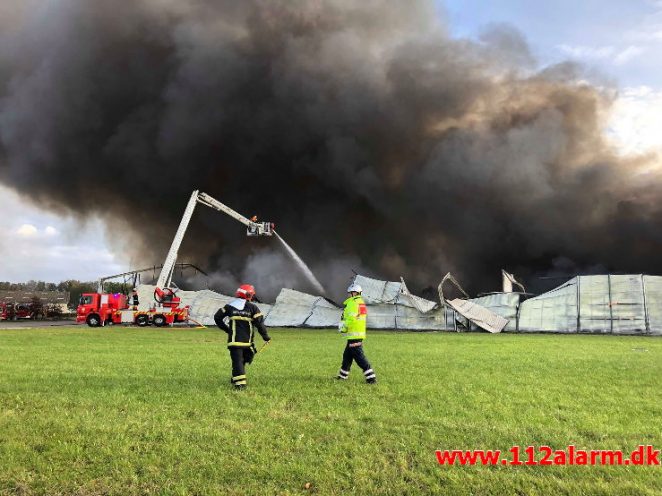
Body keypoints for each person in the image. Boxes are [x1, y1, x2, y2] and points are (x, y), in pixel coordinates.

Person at [214, 284, 271, 390]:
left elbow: (217, 317)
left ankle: (236, 376)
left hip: (235, 342)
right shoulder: (253, 308)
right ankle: (240, 385)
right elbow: (259, 323)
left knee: (241, 360)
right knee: (239, 361)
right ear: (249, 295)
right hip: (246, 342)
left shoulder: (229, 306)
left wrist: (227, 330)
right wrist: (265, 336)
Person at [337, 283, 377, 384]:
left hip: (354, 334)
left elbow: (351, 319)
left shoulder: (352, 303)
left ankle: (371, 377)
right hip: (358, 334)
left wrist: (343, 327)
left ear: (354, 293)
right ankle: (343, 376)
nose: (348, 295)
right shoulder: (361, 303)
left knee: (359, 357)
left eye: (349, 293)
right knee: (347, 356)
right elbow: (359, 318)